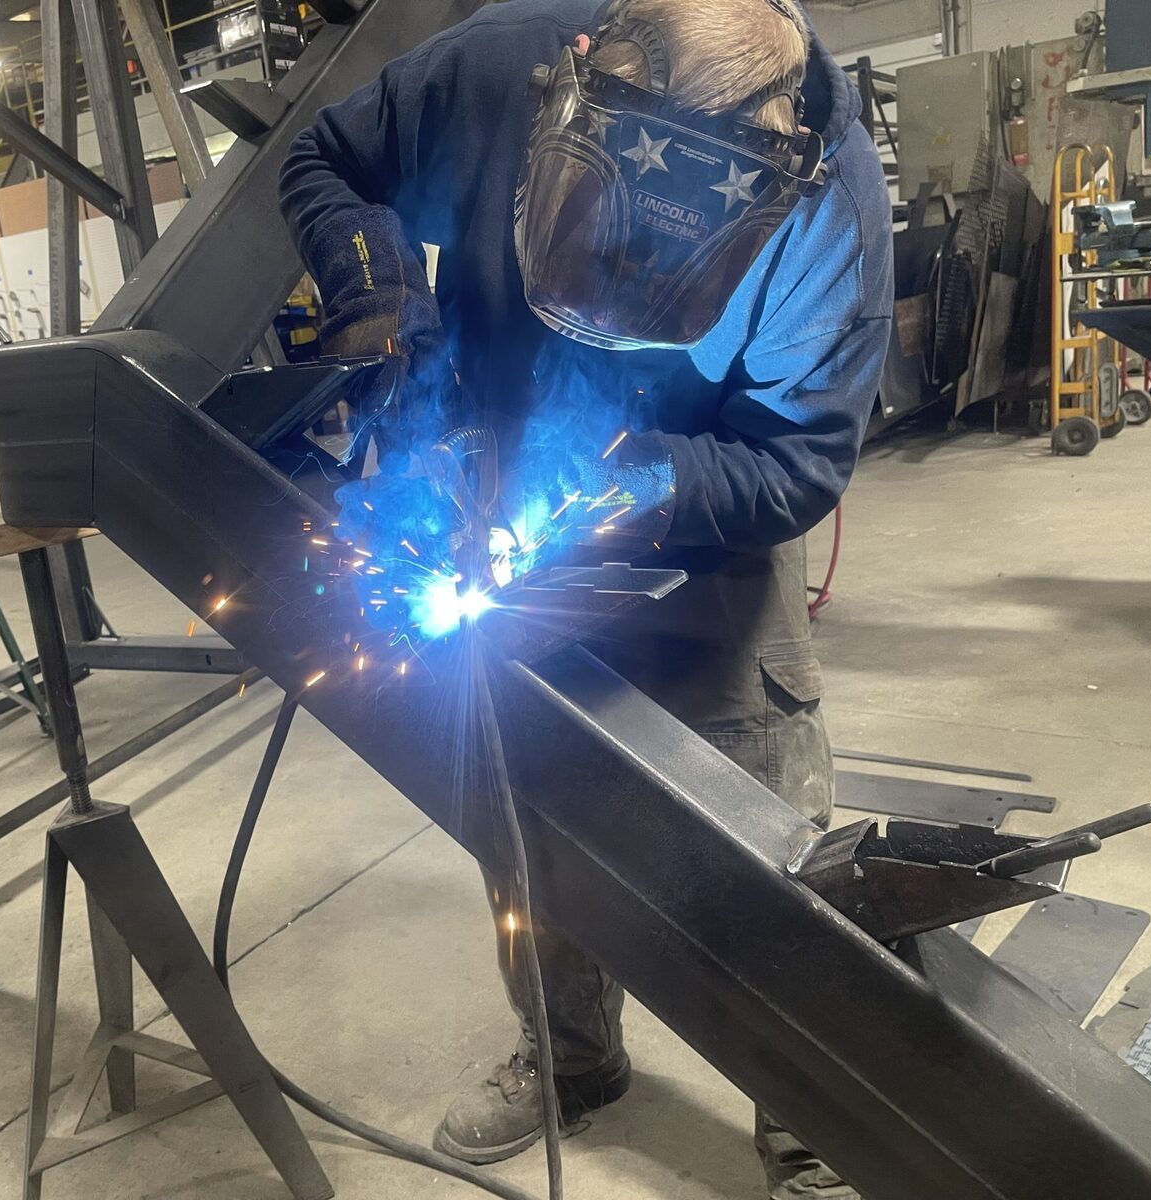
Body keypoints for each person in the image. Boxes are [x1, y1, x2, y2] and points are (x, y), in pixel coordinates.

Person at [280, 1, 891, 1197]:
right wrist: (372, 279)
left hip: (701, 511)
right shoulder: (493, 63)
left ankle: (810, 1117)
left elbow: (800, 460)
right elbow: (320, 156)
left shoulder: (825, 195)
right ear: (572, 86)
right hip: (493, 477)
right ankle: (570, 1058)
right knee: (526, 802)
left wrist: (654, 480)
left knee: (757, 835)